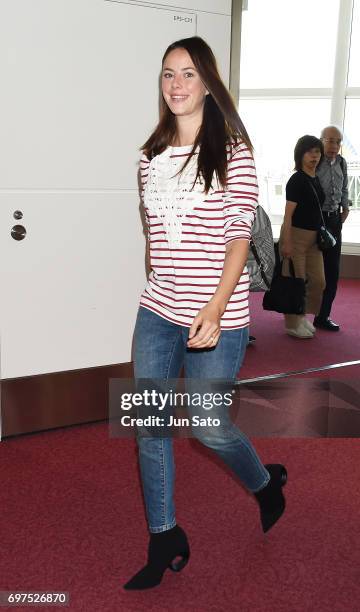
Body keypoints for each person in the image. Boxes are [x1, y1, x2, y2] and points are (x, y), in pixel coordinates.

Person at [123, 37, 287, 591]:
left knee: (208, 425)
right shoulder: (150, 155)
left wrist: (215, 307)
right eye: (168, 74)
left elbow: (238, 235)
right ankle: (164, 533)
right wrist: (158, 284)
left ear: (208, 83)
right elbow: (153, 232)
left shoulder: (233, 149)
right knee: (150, 424)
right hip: (157, 310)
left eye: (189, 74)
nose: (176, 85)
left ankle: (264, 485)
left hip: (217, 312)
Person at [280, 135, 326, 338]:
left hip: (314, 239)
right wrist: (287, 241)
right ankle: (292, 323)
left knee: (318, 281)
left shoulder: (315, 177)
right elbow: (288, 215)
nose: (314, 156)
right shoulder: (297, 179)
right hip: (296, 236)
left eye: (317, 152)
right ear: (300, 155)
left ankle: (301, 316)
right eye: (310, 152)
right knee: (295, 282)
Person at [314, 126, 350, 331]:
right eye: (330, 140)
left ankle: (323, 316)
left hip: (335, 221)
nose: (334, 146)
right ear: (321, 140)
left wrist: (346, 207)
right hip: (316, 222)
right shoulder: (314, 160)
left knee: (332, 271)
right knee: (313, 272)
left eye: (338, 142)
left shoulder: (342, 163)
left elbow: (344, 187)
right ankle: (297, 315)